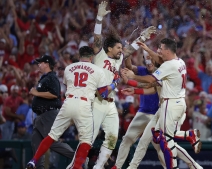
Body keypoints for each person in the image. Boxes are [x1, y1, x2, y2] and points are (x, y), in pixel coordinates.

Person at [87, 2, 156, 169]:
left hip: (110, 103)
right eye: (118, 47)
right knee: (88, 139)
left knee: (112, 138)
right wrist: (98, 18)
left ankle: (99, 167)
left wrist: (143, 38)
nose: (121, 50)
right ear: (109, 48)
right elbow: (97, 39)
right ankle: (76, 165)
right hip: (96, 101)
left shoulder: (118, 58)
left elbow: (130, 50)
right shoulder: (100, 54)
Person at [26, 46, 116, 169]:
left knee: (52, 135)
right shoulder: (98, 70)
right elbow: (103, 94)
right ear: (91, 57)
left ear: (79, 56)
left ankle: (33, 161)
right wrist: (114, 84)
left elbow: (69, 84)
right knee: (85, 141)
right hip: (84, 105)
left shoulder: (69, 68)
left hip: (68, 103)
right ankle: (77, 167)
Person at [123, 38, 201, 169]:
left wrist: (132, 77)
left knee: (166, 139)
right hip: (171, 104)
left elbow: (150, 80)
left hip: (171, 105)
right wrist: (147, 49)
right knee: (154, 137)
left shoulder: (167, 66)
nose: (158, 52)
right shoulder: (178, 61)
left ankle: (189, 141)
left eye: (160, 48)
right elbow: (152, 83)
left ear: (167, 51)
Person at [23, 54, 75, 169]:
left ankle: (78, 158)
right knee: (36, 143)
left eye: (40, 62)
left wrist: (36, 93)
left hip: (49, 114)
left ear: (46, 64)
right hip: (41, 115)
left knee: (51, 142)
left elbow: (54, 95)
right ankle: (38, 166)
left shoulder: (52, 77)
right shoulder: (45, 77)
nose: (38, 64)